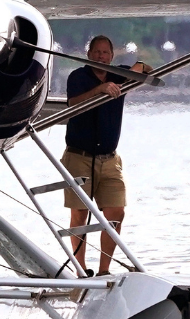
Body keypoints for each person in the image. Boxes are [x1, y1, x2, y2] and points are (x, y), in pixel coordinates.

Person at [61, 35, 152, 276]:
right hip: (79, 155)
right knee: (80, 213)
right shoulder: (78, 77)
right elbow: (73, 102)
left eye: (105, 53)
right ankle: (80, 269)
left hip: (110, 158)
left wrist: (137, 68)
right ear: (89, 54)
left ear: (111, 56)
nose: (101, 56)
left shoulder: (118, 74)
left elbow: (146, 69)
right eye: (97, 52)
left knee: (116, 212)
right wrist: (99, 90)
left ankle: (104, 270)